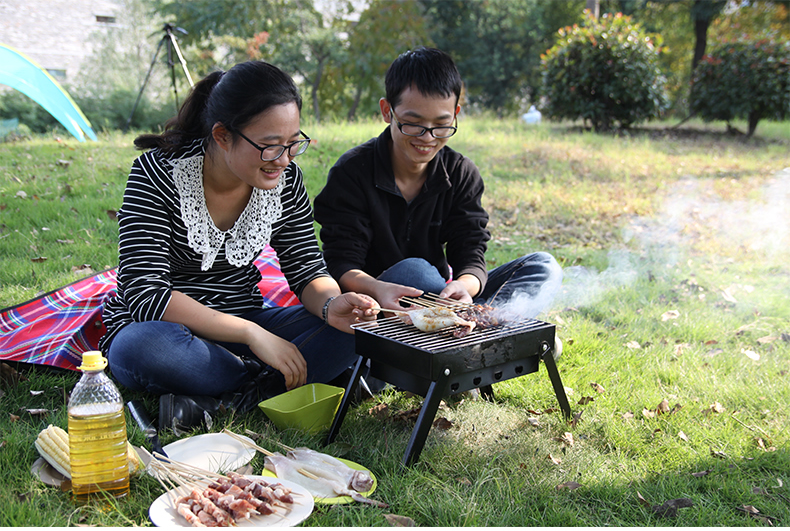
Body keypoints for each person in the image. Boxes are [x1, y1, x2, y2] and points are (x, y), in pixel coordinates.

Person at [100, 60, 380, 432]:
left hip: (250, 323)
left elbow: (308, 269)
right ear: (222, 135)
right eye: (268, 147)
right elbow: (145, 293)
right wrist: (253, 335)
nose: (282, 160)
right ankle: (277, 383)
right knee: (140, 348)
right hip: (174, 334)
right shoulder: (155, 174)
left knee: (359, 327)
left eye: (292, 143)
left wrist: (332, 306)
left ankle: (229, 398)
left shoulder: (285, 178)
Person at [314, 47, 561, 348]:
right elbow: (341, 264)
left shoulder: (461, 173)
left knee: (542, 267)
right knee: (417, 272)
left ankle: (469, 329)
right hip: (378, 306)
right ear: (386, 110)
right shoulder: (352, 172)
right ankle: (488, 341)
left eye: (442, 125)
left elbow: (470, 252)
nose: (428, 137)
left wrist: (463, 287)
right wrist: (378, 288)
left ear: (456, 113)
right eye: (413, 123)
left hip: (440, 301)